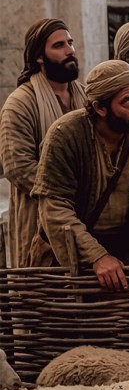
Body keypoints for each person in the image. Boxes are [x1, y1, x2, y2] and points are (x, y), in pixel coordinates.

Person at [31, 60, 129, 289]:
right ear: (100, 108)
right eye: (128, 101)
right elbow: (55, 208)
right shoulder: (65, 135)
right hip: (71, 261)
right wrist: (96, 256)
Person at [0, 18, 87, 267]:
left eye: (70, 42)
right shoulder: (20, 103)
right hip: (40, 219)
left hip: (86, 218)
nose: (69, 50)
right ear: (40, 56)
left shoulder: (85, 96)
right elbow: (18, 167)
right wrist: (66, 192)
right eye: (59, 45)